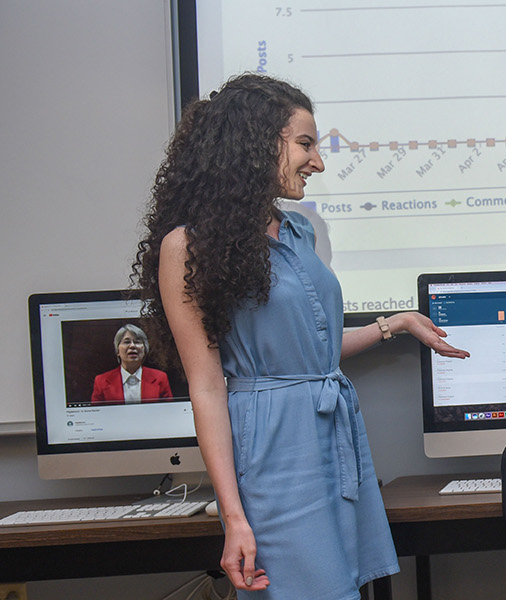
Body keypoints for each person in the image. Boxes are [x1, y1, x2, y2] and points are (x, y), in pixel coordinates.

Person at [132, 73, 469, 599]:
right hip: (271, 452)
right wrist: (234, 518)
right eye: (306, 145)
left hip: (334, 441)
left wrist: (394, 324)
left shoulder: (299, 230)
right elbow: (207, 386)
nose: (318, 162)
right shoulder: (189, 246)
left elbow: (311, 353)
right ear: (255, 142)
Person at [91, 324, 172, 404]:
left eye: (137, 342)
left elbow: (169, 411)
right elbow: (96, 414)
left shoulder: (160, 378)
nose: (132, 346)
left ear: (145, 350)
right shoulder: (102, 381)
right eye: (126, 342)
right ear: (117, 350)